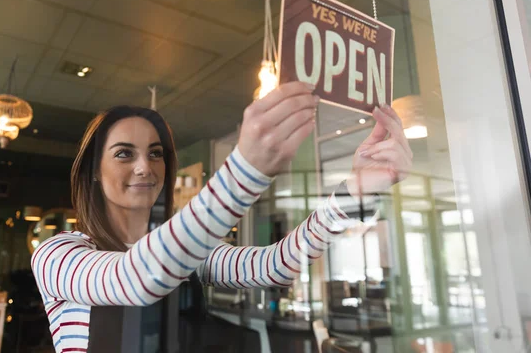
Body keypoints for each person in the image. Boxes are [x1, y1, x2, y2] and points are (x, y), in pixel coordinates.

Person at [31, 82, 413, 353]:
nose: (145, 167)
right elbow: (135, 277)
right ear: (93, 171)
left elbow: (276, 264)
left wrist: (354, 192)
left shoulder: (189, 253)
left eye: (156, 153)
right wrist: (245, 171)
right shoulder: (57, 255)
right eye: (123, 154)